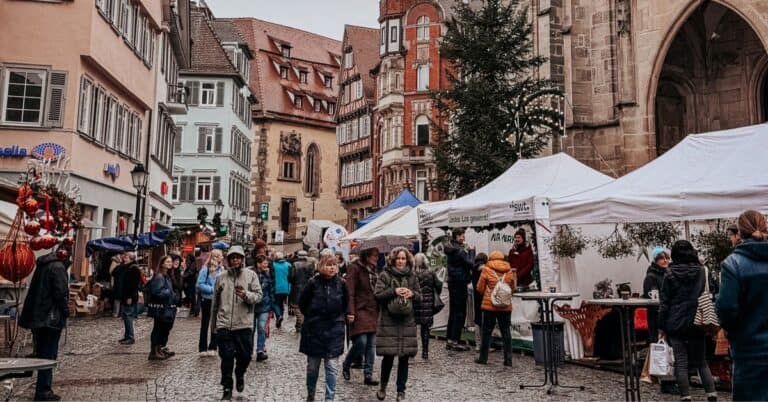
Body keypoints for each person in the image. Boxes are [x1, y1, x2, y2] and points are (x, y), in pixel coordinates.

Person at [716, 210, 768, 401]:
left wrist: (733, 332)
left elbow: (727, 308)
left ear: (740, 233)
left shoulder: (734, 264)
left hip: (749, 349)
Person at [658, 240, 717, 402]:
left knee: (681, 363)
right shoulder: (702, 271)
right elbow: (711, 291)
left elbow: (664, 303)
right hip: (698, 320)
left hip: (675, 323)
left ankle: (686, 397)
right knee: (701, 362)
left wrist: (661, 326)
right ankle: (712, 395)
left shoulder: (669, 274)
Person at [211, 246, 263, 400]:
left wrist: (246, 295)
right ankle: (227, 387)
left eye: (238, 257)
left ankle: (240, 373)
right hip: (224, 325)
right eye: (232, 257)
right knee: (226, 358)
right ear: (228, 259)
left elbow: (259, 296)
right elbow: (215, 304)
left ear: (242, 259)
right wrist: (213, 328)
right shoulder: (221, 277)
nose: (235, 260)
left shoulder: (251, 275)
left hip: (244, 324)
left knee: (245, 356)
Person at [19, 245, 70, 401]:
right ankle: (43, 390)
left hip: (38, 316)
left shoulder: (44, 264)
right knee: (48, 355)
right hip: (50, 317)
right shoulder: (58, 267)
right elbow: (60, 293)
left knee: (42, 352)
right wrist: (66, 311)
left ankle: (41, 387)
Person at [374, 247, 421, 402]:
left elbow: (420, 296)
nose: (401, 261)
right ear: (393, 260)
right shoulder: (385, 275)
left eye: (403, 258)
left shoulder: (413, 276)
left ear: (407, 260)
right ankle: (383, 386)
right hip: (389, 321)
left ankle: (401, 391)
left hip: (407, 322)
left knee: (404, 358)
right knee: (388, 357)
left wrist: (412, 294)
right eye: (398, 259)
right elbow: (378, 295)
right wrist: (394, 291)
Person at [299, 254, 348, 402]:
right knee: (313, 368)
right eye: (328, 265)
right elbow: (303, 303)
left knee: (332, 368)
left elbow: (345, 304)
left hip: (334, 330)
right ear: (321, 266)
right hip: (314, 331)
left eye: (334, 265)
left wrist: (340, 319)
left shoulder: (342, 283)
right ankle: (311, 393)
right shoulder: (312, 283)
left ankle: (329, 399)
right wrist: (312, 317)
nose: (332, 268)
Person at [342, 247, 380, 385]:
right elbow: (349, 291)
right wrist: (350, 311)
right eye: (373, 255)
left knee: (371, 344)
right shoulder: (355, 268)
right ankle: (347, 363)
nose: (376, 258)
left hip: (373, 310)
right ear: (366, 255)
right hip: (359, 310)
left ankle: (368, 375)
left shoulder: (374, 271)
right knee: (361, 342)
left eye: (377, 255)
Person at [642, 247, 676, 393]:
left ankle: (669, 380)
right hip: (657, 316)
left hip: (669, 315)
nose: (665, 261)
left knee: (669, 350)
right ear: (656, 260)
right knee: (661, 349)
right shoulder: (651, 276)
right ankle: (664, 381)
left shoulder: (669, 274)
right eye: (662, 258)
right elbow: (652, 298)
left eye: (667, 258)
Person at [474, 251, 515, 366]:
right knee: (506, 332)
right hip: (505, 306)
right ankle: (508, 359)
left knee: (486, 332)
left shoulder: (487, 269)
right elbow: (513, 288)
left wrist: (489, 292)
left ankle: (483, 358)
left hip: (489, 306)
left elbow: (480, 288)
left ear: (490, 259)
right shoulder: (509, 270)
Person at [444, 228, 475, 351]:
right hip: (460, 282)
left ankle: (450, 339)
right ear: (456, 237)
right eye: (462, 236)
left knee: (453, 311)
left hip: (453, 281)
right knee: (460, 312)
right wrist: (472, 251)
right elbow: (471, 263)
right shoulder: (459, 251)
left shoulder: (451, 248)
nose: (463, 238)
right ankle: (455, 340)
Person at [148, 256, 178, 360]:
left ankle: (159, 349)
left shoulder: (167, 276)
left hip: (167, 307)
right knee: (158, 328)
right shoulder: (160, 276)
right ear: (162, 264)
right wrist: (169, 293)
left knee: (164, 328)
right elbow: (156, 292)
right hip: (161, 308)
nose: (170, 263)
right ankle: (154, 351)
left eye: (170, 262)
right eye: (167, 262)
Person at [413, 253, 442, 360]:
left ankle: (412, 350)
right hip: (428, 304)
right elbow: (439, 285)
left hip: (415, 303)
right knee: (425, 329)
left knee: (412, 328)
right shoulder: (431, 273)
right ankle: (425, 352)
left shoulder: (412, 274)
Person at [197, 248, 225, 356]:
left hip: (218, 299)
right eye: (220, 256)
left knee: (216, 324)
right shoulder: (206, 269)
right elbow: (200, 284)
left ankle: (213, 346)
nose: (221, 258)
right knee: (205, 323)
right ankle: (202, 348)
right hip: (207, 299)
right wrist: (212, 289)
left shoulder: (221, 269)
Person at [253, 255, 275, 362]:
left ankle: (260, 350)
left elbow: (271, 290)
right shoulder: (252, 274)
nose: (266, 265)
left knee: (261, 327)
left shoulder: (269, 275)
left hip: (265, 306)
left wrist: (272, 306)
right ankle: (247, 349)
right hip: (252, 306)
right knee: (250, 329)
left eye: (267, 263)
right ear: (258, 264)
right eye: (264, 263)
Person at [290, 250, 316, 332]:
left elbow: (291, 277)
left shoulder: (295, 264)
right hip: (308, 287)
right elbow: (312, 276)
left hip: (297, 288)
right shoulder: (311, 264)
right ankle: (302, 322)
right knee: (306, 305)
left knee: (297, 306)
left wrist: (294, 283)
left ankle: (300, 322)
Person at [118, 252, 141, 345]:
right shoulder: (127, 267)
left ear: (131, 258)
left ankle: (130, 337)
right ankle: (127, 336)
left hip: (129, 296)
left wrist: (130, 297)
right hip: (125, 295)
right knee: (125, 316)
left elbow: (133, 285)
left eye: (126, 257)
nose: (124, 258)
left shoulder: (133, 269)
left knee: (128, 316)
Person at [471, 253, 488, 352]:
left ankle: (478, 343)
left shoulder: (473, 269)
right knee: (484, 320)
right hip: (484, 296)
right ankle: (484, 345)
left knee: (477, 319)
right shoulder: (485, 269)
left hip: (476, 296)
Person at [272, 252, 291, 328]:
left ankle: (279, 316)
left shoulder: (273, 265)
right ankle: (280, 318)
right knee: (281, 303)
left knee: (276, 303)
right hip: (286, 288)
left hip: (276, 287)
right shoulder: (288, 265)